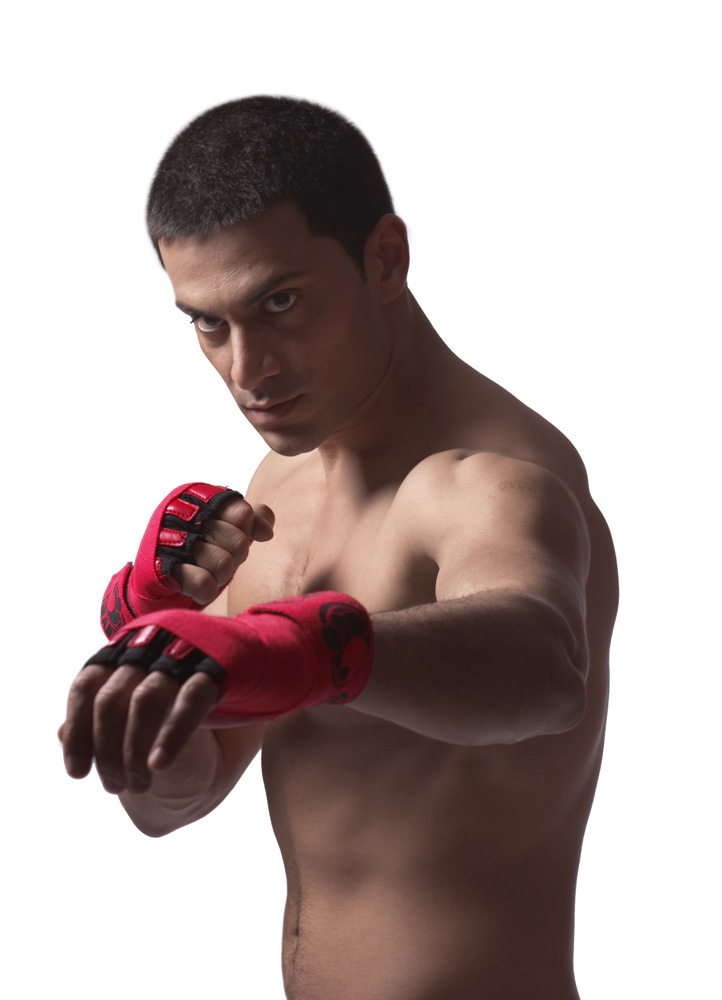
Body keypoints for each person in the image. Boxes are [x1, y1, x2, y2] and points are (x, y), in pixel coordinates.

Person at [60, 96, 618, 999]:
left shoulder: (491, 479)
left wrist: (305, 649)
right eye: (208, 323)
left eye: (279, 302)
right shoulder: (280, 487)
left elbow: (548, 668)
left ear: (384, 259)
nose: (247, 370)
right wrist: (152, 656)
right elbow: (179, 803)